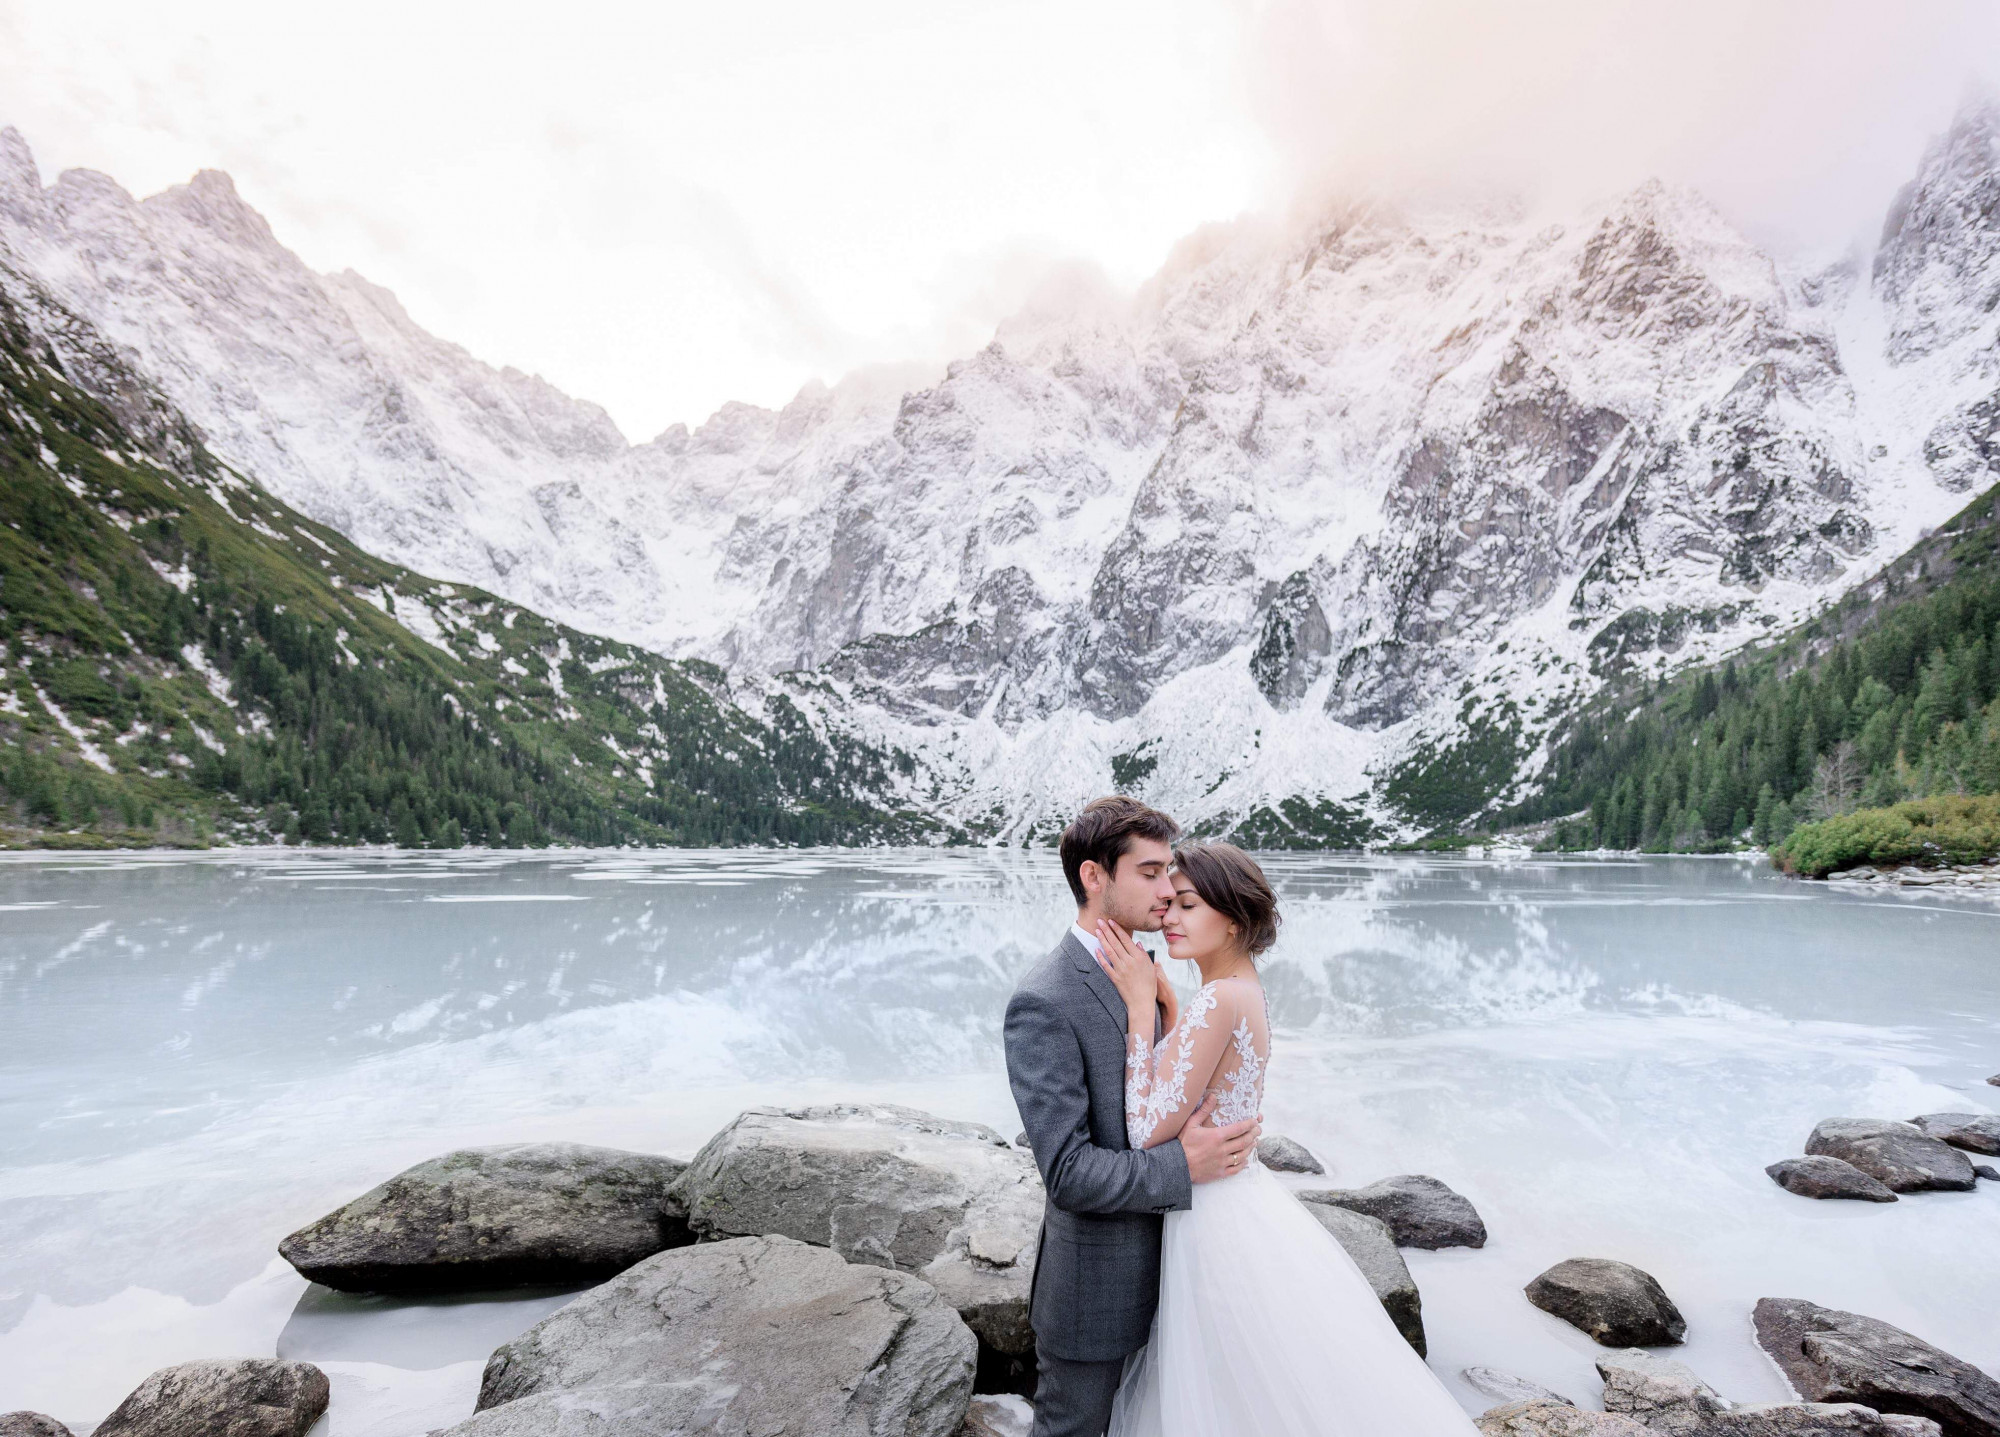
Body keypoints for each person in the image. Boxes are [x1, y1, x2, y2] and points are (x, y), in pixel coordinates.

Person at [1093, 841, 1481, 1437]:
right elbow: (1200, 1085)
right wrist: (1171, 1006)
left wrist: (1142, 1009)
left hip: (1214, 1217)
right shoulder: (1242, 989)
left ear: (1235, 920)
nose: (1168, 915)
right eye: (1170, 902)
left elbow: (1146, 1131)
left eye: (1188, 905)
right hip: (1245, 1198)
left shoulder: (1218, 998)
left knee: (1224, 1384)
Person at [1005, 799, 1264, 1437]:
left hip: (1189, 1272)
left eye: (1168, 873)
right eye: (1149, 874)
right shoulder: (1044, 999)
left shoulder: (1154, 974)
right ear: (1095, 878)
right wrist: (1184, 1163)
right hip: (1098, 1291)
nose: (1166, 891)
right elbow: (1067, 1172)